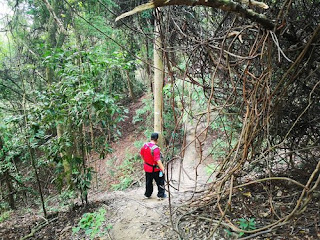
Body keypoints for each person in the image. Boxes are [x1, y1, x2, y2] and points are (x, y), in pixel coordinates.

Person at [140, 132, 166, 200]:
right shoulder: (155, 148)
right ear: (157, 139)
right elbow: (158, 160)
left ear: (151, 138)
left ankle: (147, 194)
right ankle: (161, 195)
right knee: (160, 181)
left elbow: (142, 154)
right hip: (155, 169)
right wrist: (163, 169)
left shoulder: (145, 145)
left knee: (148, 182)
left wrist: (145, 161)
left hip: (147, 168)